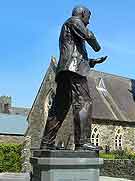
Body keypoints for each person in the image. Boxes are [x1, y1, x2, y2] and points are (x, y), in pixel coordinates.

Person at [40, 6, 107, 150]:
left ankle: (47, 142)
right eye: (88, 17)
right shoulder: (74, 21)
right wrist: (97, 46)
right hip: (74, 71)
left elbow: (73, 54)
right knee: (84, 102)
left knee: (59, 107)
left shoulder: (70, 28)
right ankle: (82, 142)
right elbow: (89, 35)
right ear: (82, 14)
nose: (88, 22)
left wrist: (91, 62)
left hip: (66, 70)